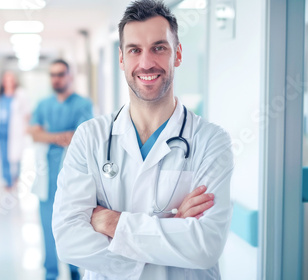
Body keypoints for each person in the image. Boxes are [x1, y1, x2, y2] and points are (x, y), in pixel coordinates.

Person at [52, 1, 234, 279]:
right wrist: (170, 233)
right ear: (122, 59)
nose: (146, 62)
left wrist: (112, 222)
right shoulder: (90, 137)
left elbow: (205, 246)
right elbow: (68, 241)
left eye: (159, 48)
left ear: (178, 54)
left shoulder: (210, 141)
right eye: (135, 50)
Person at [29, 59, 93, 280]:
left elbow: (81, 136)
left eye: (60, 74)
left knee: (74, 223)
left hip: (74, 175)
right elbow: (34, 133)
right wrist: (60, 137)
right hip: (47, 173)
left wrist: (49, 136)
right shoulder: (43, 104)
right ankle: (51, 272)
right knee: (47, 226)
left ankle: (75, 269)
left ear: (69, 76)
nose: (56, 79)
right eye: (52, 75)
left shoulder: (83, 104)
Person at [0, 70, 31, 190]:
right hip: (1, 132)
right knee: (4, 158)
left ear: (14, 81)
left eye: (10, 79)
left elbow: (27, 112)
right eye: (6, 79)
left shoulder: (20, 94)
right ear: (2, 81)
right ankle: (8, 181)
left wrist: (25, 127)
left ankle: (16, 177)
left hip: (16, 132)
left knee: (16, 156)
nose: (8, 82)